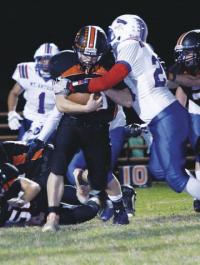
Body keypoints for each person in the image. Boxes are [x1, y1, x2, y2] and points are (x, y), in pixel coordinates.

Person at [66, 14, 200, 210]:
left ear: (125, 30)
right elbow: (128, 99)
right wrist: (100, 85)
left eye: (113, 30)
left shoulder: (129, 45)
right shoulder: (139, 49)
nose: (111, 35)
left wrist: (84, 83)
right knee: (159, 171)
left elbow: (111, 79)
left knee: (175, 177)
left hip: (165, 115)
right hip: (162, 117)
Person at [38, 25, 134, 232]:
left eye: (94, 55)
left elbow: (127, 100)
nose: (89, 59)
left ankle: (118, 205)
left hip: (101, 125)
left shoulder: (109, 66)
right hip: (72, 121)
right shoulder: (63, 64)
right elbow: (61, 104)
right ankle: (52, 216)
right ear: (75, 48)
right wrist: (85, 107)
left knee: (101, 176)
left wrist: (101, 84)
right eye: (85, 54)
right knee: (58, 166)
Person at [0, 142, 101, 227]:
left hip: (43, 157)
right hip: (37, 165)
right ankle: (93, 200)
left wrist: (21, 201)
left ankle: (94, 198)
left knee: (45, 196)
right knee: (48, 208)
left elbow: (16, 174)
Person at [168, 29, 200, 212]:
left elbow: (192, 82)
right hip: (197, 108)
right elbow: (180, 91)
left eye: (188, 53)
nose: (184, 57)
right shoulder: (183, 69)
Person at [7, 43, 60, 141]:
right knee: (21, 153)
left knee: (49, 154)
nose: (45, 62)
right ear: (37, 59)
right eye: (42, 59)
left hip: (52, 122)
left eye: (49, 59)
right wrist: (11, 113)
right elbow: (14, 93)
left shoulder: (63, 76)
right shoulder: (27, 70)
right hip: (29, 119)